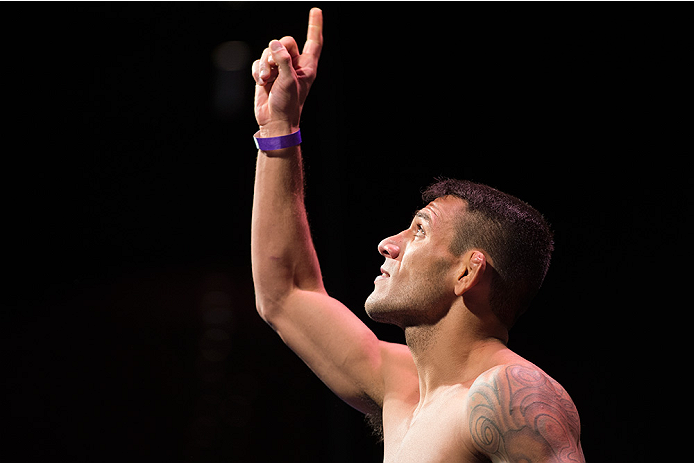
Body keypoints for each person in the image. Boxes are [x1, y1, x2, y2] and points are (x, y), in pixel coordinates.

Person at [250, 8, 584, 462]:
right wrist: (279, 127)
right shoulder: (402, 386)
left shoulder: (508, 394)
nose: (388, 243)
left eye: (419, 230)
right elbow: (285, 293)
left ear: (468, 271)